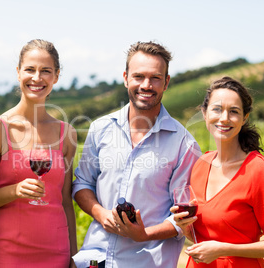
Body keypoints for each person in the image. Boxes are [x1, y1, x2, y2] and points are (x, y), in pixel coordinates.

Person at [72, 41, 201, 268]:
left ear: (166, 82)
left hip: (147, 262)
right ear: (125, 78)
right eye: (138, 76)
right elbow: (82, 184)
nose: (146, 85)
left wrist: (144, 234)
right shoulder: (100, 129)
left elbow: (185, 218)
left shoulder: (184, 144)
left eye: (155, 78)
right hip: (95, 258)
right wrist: (101, 214)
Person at [0, 39, 78, 267]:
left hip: (57, 251)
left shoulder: (67, 134)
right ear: (18, 72)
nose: (37, 78)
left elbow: (64, 201)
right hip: (9, 252)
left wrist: (73, 255)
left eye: (46, 71)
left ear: (57, 76)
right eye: (30, 69)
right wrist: (15, 190)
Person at [171, 76, 264, 267]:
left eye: (233, 111)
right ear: (205, 113)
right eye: (217, 109)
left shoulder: (259, 171)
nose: (224, 118)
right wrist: (185, 227)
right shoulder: (201, 164)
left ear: (244, 118)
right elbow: (201, 236)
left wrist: (224, 249)